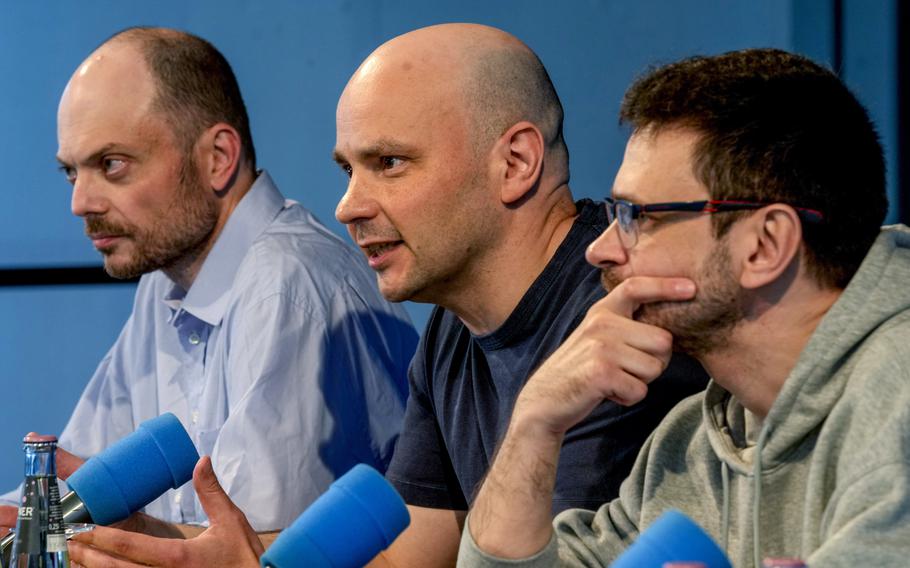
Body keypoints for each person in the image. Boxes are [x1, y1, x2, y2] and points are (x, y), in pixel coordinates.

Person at [65, 23, 707, 568]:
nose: (347, 206)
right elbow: (410, 551)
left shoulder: (619, 320)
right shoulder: (457, 327)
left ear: (515, 163)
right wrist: (231, 559)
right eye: (349, 169)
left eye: (390, 163)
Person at [460, 48, 910, 567]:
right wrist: (533, 425)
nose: (599, 248)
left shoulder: (896, 394)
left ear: (765, 244)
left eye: (638, 217)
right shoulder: (690, 442)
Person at [1, 26, 417, 541]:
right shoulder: (165, 281)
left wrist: (71, 531)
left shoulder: (288, 286)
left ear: (217, 158)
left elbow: (247, 551)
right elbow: (78, 491)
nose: (80, 202)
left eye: (111, 165)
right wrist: (35, 524)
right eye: (71, 173)